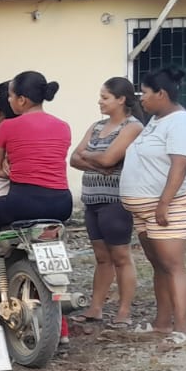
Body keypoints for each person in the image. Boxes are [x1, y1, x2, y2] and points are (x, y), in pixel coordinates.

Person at [121, 66, 186, 346]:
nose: (141, 98)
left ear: (162, 94)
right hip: (145, 209)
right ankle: (162, 324)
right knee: (159, 265)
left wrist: (163, 204)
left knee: (172, 265)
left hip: (168, 206)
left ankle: (183, 328)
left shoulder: (182, 123)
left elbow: (180, 166)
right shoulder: (156, 121)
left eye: (145, 93)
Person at [70, 77, 143, 328]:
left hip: (115, 201)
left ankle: (124, 311)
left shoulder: (132, 127)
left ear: (121, 99)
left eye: (105, 97)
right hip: (92, 200)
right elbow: (73, 159)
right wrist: (97, 163)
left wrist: (89, 156)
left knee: (121, 255)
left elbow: (109, 159)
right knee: (102, 257)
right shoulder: (97, 126)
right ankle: (96, 308)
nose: (100, 102)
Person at [0, 70, 72, 237]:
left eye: (11, 96)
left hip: (23, 203)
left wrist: (12, 171)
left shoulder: (7, 126)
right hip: (63, 204)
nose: (9, 100)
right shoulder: (63, 126)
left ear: (22, 100)